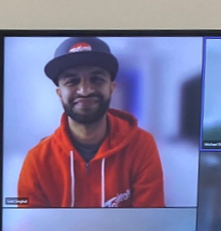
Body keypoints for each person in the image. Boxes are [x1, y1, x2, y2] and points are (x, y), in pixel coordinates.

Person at [16, 37, 165, 208]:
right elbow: (32, 228)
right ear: (59, 93)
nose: (85, 90)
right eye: (72, 81)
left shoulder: (142, 144)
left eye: (97, 79)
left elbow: (151, 219)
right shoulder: (37, 159)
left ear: (111, 88)